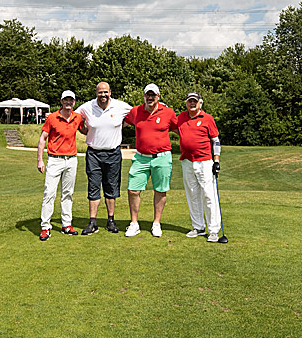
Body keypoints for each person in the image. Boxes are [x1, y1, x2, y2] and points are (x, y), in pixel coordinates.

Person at [76, 82, 132, 235]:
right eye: (100, 92)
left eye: (105, 92)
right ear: (96, 93)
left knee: (111, 187)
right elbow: (74, 118)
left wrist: (121, 125)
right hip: (94, 154)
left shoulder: (120, 106)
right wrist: (84, 130)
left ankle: (111, 220)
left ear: (110, 92)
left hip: (113, 153)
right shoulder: (87, 107)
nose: (103, 95)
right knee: (93, 186)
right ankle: (92, 221)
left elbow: (136, 114)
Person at [123, 83, 177, 237]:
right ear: (144, 96)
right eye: (148, 95)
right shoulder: (136, 111)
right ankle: (134, 223)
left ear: (158, 96)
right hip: (141, 157)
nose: (150, 97)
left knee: (160, 190)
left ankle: (156, 223)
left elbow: (179, 130)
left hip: (162, 157)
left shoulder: (168, 112)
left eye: (153, 95)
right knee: (133, 190)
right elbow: (120, 124)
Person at [37, 90, 86, 241]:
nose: (68, 102)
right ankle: (45, 227)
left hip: (71, 160)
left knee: (68, 193)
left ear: (74, 102)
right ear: (61, 101)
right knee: (49, 193)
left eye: (71, 100)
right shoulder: (52, 117)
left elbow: (85, 130)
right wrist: (40, 160)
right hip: (54, 160)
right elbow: (43, 138)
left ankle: (66, 225)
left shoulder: (77, 117)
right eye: (66, 100)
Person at [176, 92, 222, 242]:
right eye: (189, 101)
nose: (192, 104)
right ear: (186, 103)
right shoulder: (181, 117)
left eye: (194, 101)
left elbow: (215, 141)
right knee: (192, 194)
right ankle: (198, 227)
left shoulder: (207, 118)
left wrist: (216, 160)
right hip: (187, 161)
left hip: (205, 161)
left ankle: (213, 230)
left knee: (208, 195)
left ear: (200, 103)